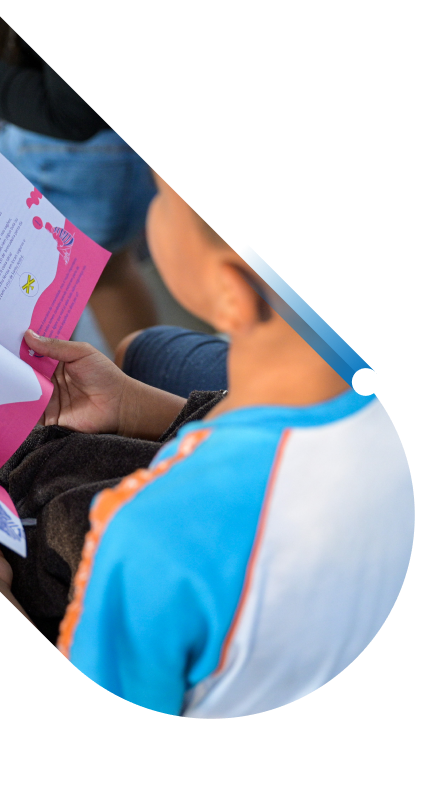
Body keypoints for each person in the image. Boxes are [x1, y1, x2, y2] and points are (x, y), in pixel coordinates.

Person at [0, 171, 414, 718]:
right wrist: (130, 407)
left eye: (161, 197)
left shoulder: (144, 540)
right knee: (144, 352)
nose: (153, 207)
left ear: (230, 292)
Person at [0, 19, 158, 354]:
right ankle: (149, 385)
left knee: (36, 296)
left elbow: (72, 114)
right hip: (99, 155)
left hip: (65, 150)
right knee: (107, 271)